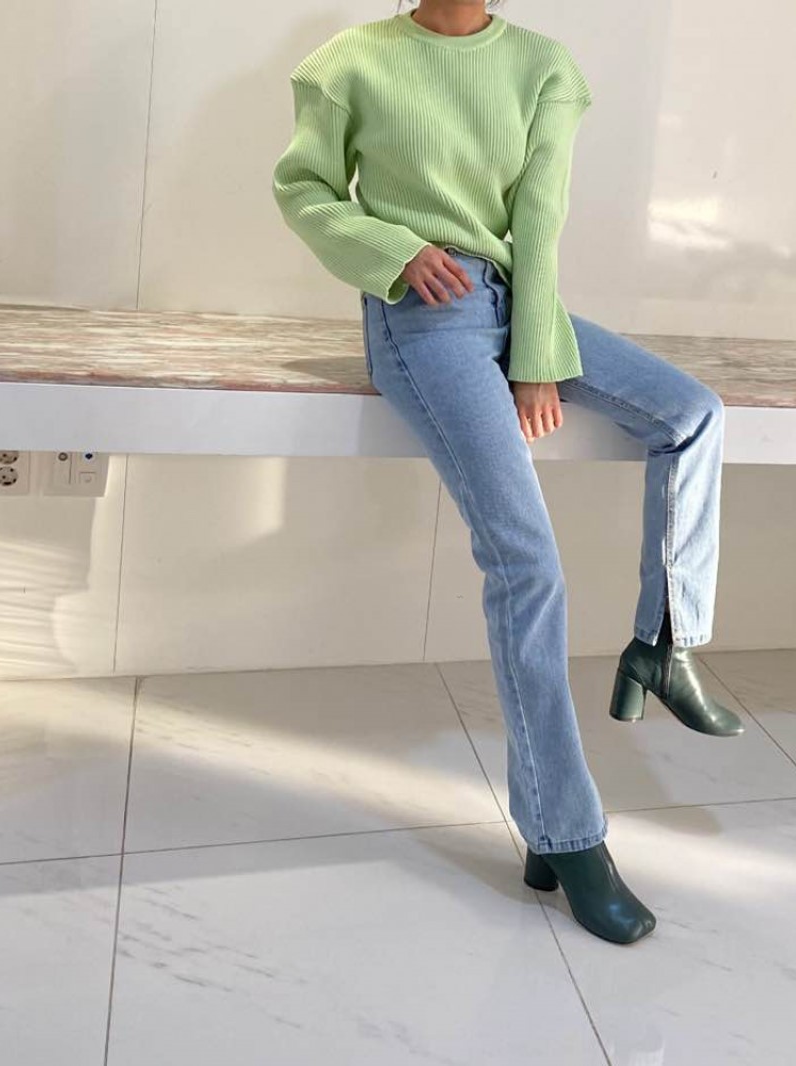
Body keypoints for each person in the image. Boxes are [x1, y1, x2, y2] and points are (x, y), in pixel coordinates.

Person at [271, 0, 744, 945]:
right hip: (422, 314)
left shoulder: (543, 66)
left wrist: (535, 352)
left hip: (521, 302)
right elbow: (304, 188)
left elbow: (540, 218)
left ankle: (664, 641)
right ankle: (567, 835)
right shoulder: (348, 61)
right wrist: (395, 249)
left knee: (693, 414)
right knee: (527, 564)